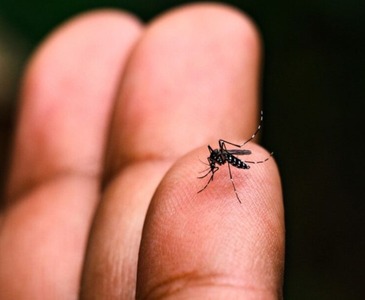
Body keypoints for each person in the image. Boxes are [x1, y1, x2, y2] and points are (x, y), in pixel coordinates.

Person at [0, 3, 284, 299]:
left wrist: (223, 171)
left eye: (214, 161)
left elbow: (222, 161)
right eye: (214, 162)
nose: (214, 161)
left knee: (228, 154)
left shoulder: (223, 158)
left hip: (239, 162)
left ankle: (248, 152)